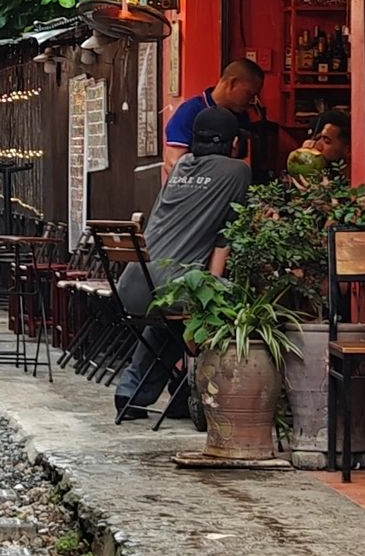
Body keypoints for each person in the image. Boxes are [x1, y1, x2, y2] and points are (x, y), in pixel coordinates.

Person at [114, 104, 256, 425]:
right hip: (170, 288)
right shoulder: (238, 171)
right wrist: (213, 290)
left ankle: (133, 391)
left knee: (168, 319)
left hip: (132, 285)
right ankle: (206, 394)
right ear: (234, 142)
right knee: (244, 305)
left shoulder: (180, 167)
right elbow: (226, 239)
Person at [162, 59, 265, 168]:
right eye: (249, 94)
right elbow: (173, 163)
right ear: (232, 84)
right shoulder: (190, 111)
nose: (251, 100)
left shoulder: (242, 117)